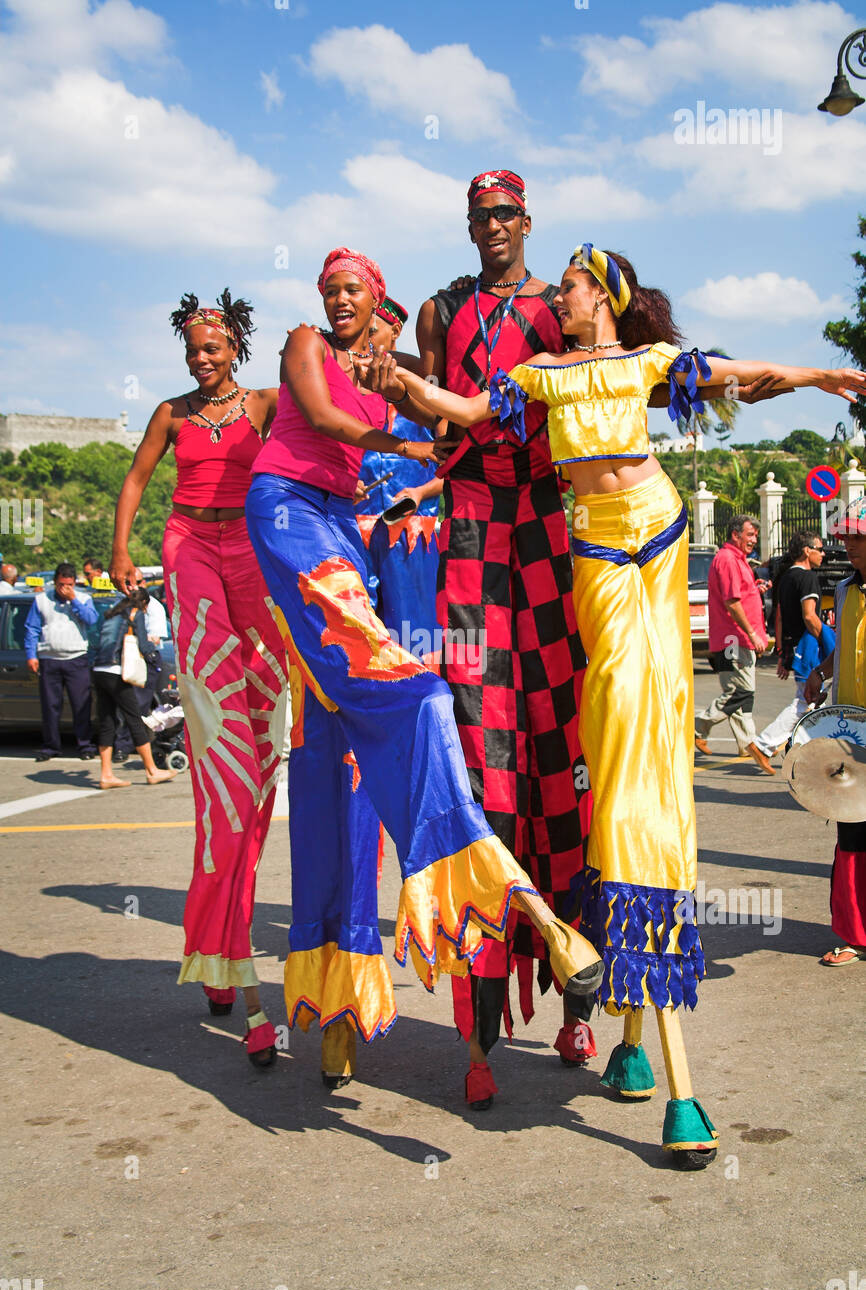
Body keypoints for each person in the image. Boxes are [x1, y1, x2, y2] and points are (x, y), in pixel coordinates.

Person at [374, 239, 866, 1161]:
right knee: (625, 742)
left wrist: (818, 374)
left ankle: (641, 1024)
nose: (556, 295)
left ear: (601, 294)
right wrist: (401, 386)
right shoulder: (541, 375)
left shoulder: (644, 364)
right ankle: (640, 1026)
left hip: (660, 533)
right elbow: (468, 410)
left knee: (645, 738)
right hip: (597, 555)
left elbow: (738, 374)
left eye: (567, 284)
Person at [244, 245, 602, 1092]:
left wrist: (433, 428)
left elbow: (454, 430)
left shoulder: (392, 374)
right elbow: (327, 421)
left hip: (363, 542)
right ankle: (478, 868)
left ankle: (341, 1002)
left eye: (353, 291)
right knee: (416, 695)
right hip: (292, 517)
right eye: (331, 288)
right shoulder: (309, 348)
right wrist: (402, 447)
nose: (337, 301)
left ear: (380, 304)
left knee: (345, 755)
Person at [109, 288, 289, 1068]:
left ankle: (218, 936)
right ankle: (222, 944)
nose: (201, 357)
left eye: (212, 347)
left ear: (235, 348)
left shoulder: (265, 405)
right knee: (221, 760)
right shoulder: (172, 415)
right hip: (188, 550)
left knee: (267, 740)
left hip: (251, 553)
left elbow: (324, 428)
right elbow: (137, 481)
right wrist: (124, 550)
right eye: (192, 349)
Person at [355, 296, 440, 664]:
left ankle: (426, 714)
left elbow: (460, 465)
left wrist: (421, 491)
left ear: (396, 332)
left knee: (414, 640)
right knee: (361, 640)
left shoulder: (427, 390)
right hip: (354, 534)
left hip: (412, 536)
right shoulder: (340, 394)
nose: (364, 342)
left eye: (371, 331)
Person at [804, 495, 866, 967]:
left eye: (859, 539)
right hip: (850, 729)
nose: (852, 547)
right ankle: (850, 932)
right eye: (848, 539)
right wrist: (820, 672)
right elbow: (841, 646)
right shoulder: (843, 591)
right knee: (851, 832)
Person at [694, 515, 773, 773]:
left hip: (736, 637)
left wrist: (756, 590)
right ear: (735, 534)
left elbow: (739, 595)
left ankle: (746, 744)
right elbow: (731, 602)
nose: (753, 540)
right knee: (739, 692)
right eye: (749, 535)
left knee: (742, 692)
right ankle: (697, 726)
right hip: (733, 638)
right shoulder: (728, 559)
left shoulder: (738, 560)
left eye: (755, 536)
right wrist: (752, 635)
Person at [751, 530, 829, 765]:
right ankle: (764, 743)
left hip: (796, 646)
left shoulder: (786, 578)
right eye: (820, 549)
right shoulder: (807, 578)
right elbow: (809, 616)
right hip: (809, 645)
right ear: (807, 550)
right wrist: (829, 640)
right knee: (807, 701)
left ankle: (796, 746)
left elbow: (781, 618)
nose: (823, 554)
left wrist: (785, 654)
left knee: (817, 703)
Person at [91, 587, 177, 790]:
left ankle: (106, 774)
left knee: (107, 720)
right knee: (134, 718)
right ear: (144, 605)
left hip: (99, 670)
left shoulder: (112, 614)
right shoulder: (135, 613)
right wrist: (153, 654)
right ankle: (152, 771)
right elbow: (144, 647)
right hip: (117, 671)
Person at [24, 562, 98, 761]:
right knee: (50, 706)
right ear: (55, 582)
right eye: (61, 585)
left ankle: (85, 745)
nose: (65, 588)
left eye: (69, 584)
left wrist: (73, 600)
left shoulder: (83, 598)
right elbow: (32, 629)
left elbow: (92, 620)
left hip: (76, 658)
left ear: (74, 583)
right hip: (49, 659)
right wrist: (31, 655)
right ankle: (51, 746)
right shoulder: (41, 600)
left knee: (81, 704)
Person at [113, 567, 168, 762]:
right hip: (124, 660)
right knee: (126, 706)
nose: (130, 587)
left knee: (138, 705)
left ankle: (126, 746)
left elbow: (152, 640)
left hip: (142, 661)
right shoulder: (121, 605)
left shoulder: (151, 607)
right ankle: (126, 744)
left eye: (134, 583)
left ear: (143, 584)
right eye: (127, 583)